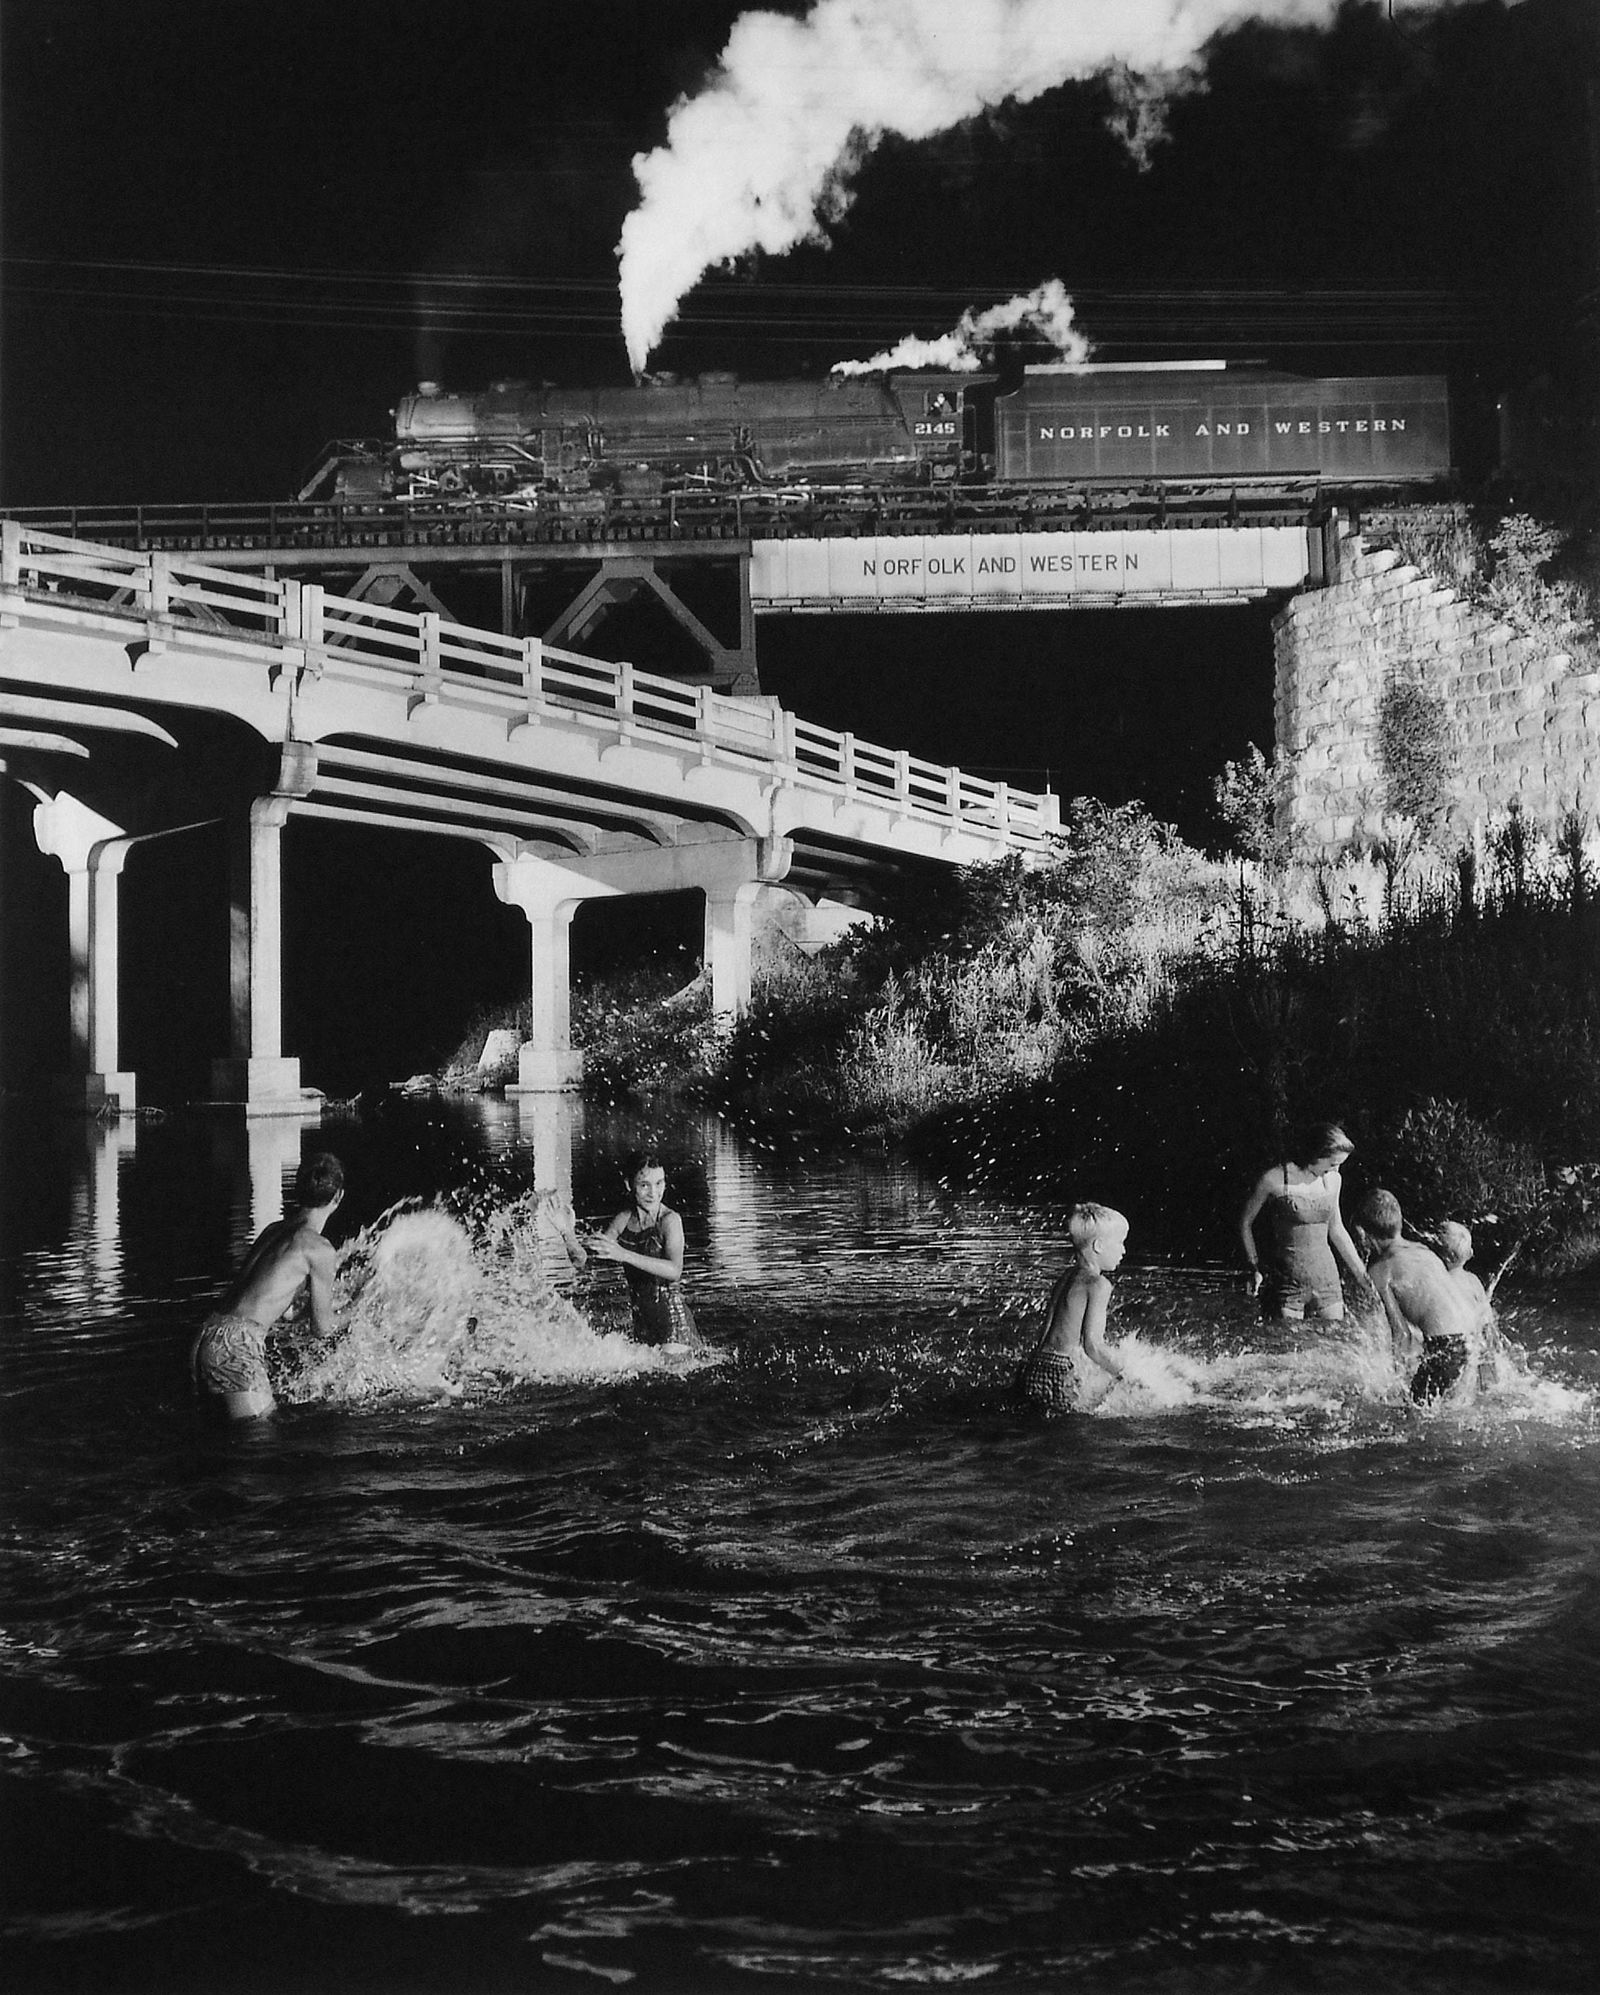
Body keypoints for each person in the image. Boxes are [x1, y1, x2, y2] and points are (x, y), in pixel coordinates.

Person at [189, 1151, 345, 1421]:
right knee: (259, 1441)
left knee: (219, 1438)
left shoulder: (273, 1230)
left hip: (206, 1334)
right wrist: (362, 1309)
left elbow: (268, 1301)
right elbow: (322, 1329)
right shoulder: (319, 1250)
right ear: (338, 1196)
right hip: (235, 1345)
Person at [1356, 1188, 1479, 1403]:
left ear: (1362, 1234)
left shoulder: (1381, 1271)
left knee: (1412, 1412)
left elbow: (1402, 1335)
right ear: (1400, 1223)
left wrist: (1395, 1378)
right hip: (1469, 1337)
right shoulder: (1422, 1249)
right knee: (1445, 1407)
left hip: (1445, 1346)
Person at [1239, 1121, 1368, 1322]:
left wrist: (1362, 1276)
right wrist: (1254, 1267)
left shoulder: (1334, 1179)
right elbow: (1246, 1222)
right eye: (1333, 1163)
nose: (1336, 1169)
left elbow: (1337, 1230)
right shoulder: (1273, 1178)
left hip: (1327, 1280)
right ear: (1316, 1154)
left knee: (1332, 1345)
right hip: (1289, 1281)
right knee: (1290, 1347)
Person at [1014, 1202, 1129, 1411]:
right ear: (1099, 1246)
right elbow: (1093, 1346)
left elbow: (1046, 1333)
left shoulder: (1066, 1277)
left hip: (1035, 1365)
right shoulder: (1099, 1284)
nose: (1123, 1250)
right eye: (1120, 1242)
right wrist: (1125, 1374)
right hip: (1058, 1371)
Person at [584, 1151, 704, 1350]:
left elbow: (675, 1270)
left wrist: (623, 1254)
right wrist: (566, 1234)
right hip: (642, 1325)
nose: (653, 1193)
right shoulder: (623, 1219)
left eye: (659, 1183)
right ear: (629, 1185)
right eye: (644, 1185)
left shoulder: (670, 1220)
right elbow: (587, 1261)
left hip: (673, 1324)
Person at [1434, 1219, 1505, 1390]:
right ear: (1470, 1253)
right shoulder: (1473, 1281)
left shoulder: (1439, 1282)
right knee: (1475, 1382)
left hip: (1453, 1346)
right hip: (1474, 1343)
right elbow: (1487, 1323)